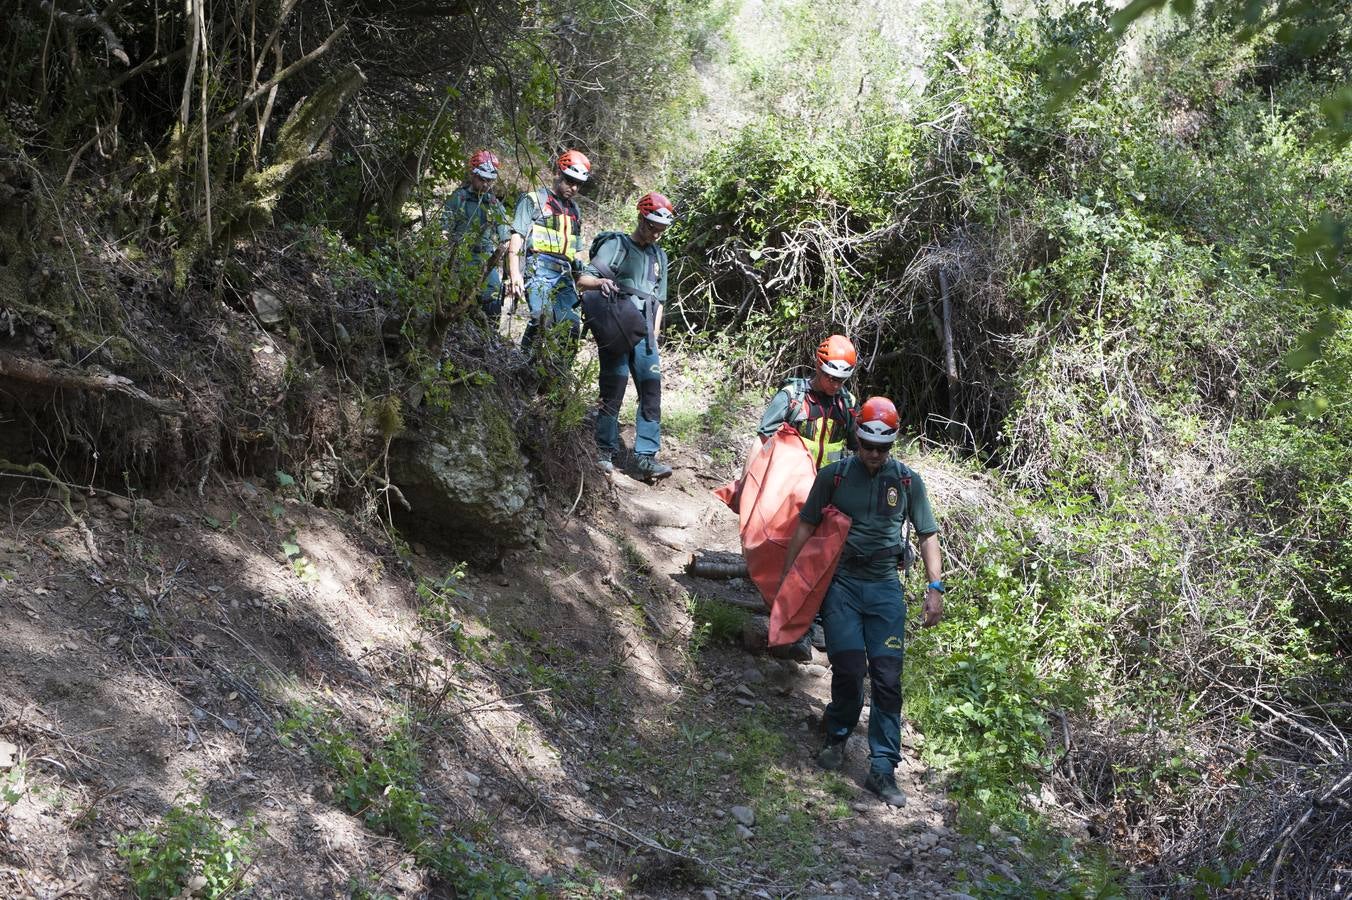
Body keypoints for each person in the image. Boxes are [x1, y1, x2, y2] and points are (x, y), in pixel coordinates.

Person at [780, 396, 945, 807]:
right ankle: (836, 736)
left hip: (886, 589)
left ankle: (883, 768)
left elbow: (927, 535)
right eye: (867, 446)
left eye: (882, 448)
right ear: (856, 437)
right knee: (851, 670)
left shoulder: (907, 482)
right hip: (843, 586)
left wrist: (935, 589)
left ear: (893, 442)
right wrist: (788, 580)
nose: (873, 455)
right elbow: (805, 526)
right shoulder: (833, 477)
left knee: (888, 680)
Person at [578, 192, 676, 483]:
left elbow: (659, 299)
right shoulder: (616, 245)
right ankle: (603, 451)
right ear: (640, 218)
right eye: (651, 227)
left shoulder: (660, 255)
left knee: (651, 393)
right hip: (616, 328)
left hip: (645, 334)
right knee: (613, 388)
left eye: (661, 230)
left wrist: (654, 335)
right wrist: (601, 282)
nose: (655, 234)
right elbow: (583, 279)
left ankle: (646, 458)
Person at [507, 150, 591, 353]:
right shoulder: (533, 200)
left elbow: (575, 250)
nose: (573, 188)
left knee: (571, 326)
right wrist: (515, 274)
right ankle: (525, 363)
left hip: (564, 275)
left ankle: (558, 378)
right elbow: (517, 236)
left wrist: (581, 280)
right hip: (537, 270)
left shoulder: (575, 211)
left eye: (578, 184)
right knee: (541, 318)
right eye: (570, 181)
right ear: (558, 173)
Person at [758, 335, 861, 470]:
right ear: (818, 367)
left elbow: (858, 447)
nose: (836, 386)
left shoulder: (848, 404)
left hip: (829, 481)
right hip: (790, 478)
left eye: (841, 380)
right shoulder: (792, 396)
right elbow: (763, 440)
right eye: (831, 379)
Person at [441, 150, 510, 319]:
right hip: (458, 255)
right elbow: (443, 230)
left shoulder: (494, 204)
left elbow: (506, 237)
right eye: (482, 179)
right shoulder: (459, 198)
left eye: (490, 180)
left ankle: (490, 333)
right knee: (455, 299)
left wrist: (508, 270)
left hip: (484, 256)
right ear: (473, 175)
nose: (486, 184)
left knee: (492, 297)